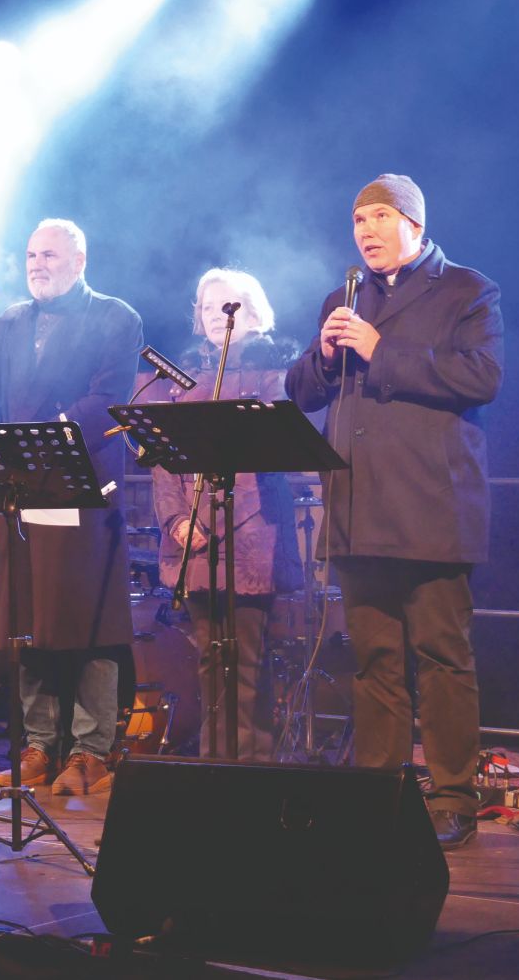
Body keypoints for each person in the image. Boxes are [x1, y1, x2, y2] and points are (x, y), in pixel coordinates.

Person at [285, 174, 503, 849]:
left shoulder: (467, 290)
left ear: (414, 223)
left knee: (442, 657)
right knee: (373, 659)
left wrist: (382, 351)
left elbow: (481, 377)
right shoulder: (344, 298)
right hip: (357, 508)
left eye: (380, 216)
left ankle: (453, 796)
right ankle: (379, 790)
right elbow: (301, 393)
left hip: (433, 509)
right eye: (358, 220)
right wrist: (325, 355)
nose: (367, 230)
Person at [0, 218, 143, 795]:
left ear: (79, 261)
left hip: (80, 490)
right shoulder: (7, 322)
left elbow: (108, 398)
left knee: (90, 622)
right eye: (31, 255)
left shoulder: (115, 317)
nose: (37, 265)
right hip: (20, 492)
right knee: (29, 619)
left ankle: (91, 750)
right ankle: (40, 743)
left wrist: (42, 439)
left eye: (49, 255)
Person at [144, 268, 300, 761]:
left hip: (252, 536)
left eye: (227, 306)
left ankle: (252, 767)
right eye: (208, 307)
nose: (216, 316)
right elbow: (163, 459)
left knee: (247, 658)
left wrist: (223, 521)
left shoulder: (276, 372)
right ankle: (215, 764)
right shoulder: (183, 377)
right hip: (192, 537)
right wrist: (177, 521)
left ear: (253, 314)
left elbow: (276, 453)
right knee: (210, 658)